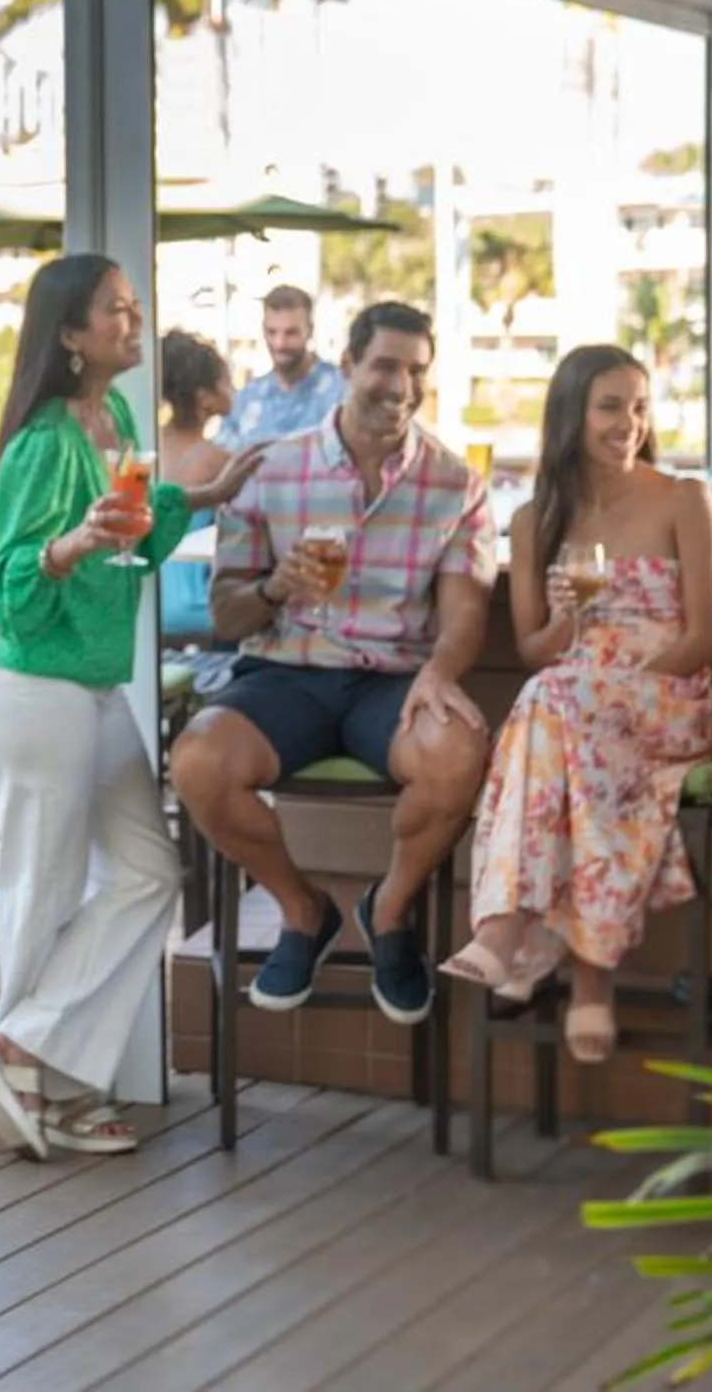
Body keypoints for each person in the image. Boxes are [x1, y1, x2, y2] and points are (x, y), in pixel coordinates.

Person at [0, 256, 263, 1159]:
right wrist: (73, 543)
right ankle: (38, 1080)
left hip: (91, 685)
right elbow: (9, 584)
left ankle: (34, 1046)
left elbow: (135, 521)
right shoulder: (39, 444)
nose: (135, 322)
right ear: (70, 335)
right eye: (115, 310)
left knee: (146, 874)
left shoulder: (120, 416)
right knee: (42, 888)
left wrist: (203, 499)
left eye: (135, 307)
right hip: (32, 688)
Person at [167, 301, 495, 1026]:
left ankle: (389, 910)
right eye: (384, 365)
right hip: (286, 674)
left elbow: (466, 610)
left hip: (395, 679)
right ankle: (302, 911)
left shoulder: (454, 483)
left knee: (458, 756)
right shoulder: (270, 469)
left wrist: (441, 673)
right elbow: (227, 613)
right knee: (196, 764)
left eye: (415, 371)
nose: (400, 385)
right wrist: (276, 585)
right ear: (345, 366)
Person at [439, 346, 712, 1064]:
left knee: (554, 702)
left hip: (668, 694)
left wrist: (624, 679)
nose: (628, 422)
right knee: (560, 712)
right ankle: (591, 983)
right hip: (574, 704)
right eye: (610, 406)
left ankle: (511, 929)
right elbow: (539, 649)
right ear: (572, 413)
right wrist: (569, 619)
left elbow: (703, 636)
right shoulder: (538, 518)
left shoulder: (686, 499)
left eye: (639, 406)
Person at [156, 329, 236, 641]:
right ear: (204, 397)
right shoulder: (217, 459)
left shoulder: (149, 445)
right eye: (226, 382)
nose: (234, 390)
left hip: (150, 606)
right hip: (195, 610)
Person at [214, 285, 344, 448]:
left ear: (310, 331)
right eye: (272, 332)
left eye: (291, 333)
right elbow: (221, 457)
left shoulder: (340, 392)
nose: (280, 343)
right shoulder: (247, 398)